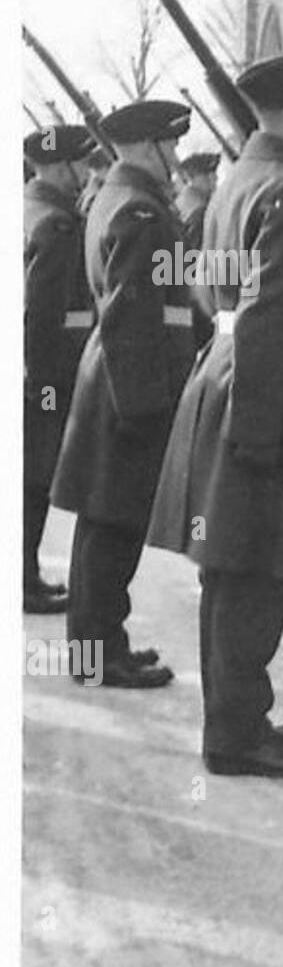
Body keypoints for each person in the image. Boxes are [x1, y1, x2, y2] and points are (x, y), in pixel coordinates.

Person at [147, 50, 283, 778]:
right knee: (258, 572)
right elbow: (268, 317)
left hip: (235, 377)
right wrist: (258, 435)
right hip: (272, 396)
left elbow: (217, 293)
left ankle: (237, 718)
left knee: (231, 568)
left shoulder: (240, 180)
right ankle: (235, 735)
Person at [50, 101, 195, 688]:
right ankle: (98, 657)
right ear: (147, 147)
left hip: (114, 382)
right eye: (172, 146)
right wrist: (143, 404)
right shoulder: (139, 210)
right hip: (129, 389)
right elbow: (131, 313)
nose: (178, 158)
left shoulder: (120, 199)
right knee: (112, 530)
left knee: (103, 526)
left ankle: (103, 645)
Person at [23, 125, 96, 615]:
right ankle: (23, 580)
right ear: (60, 166)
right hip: (47, 370)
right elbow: (40, 313)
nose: (88, 173)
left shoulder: (29, 209)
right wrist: (42, 383)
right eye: (81, 163)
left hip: (33, 368)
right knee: (35, 478)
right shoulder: (59, 224)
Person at [175, 151, 222, 349]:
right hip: (198, 304)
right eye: (207, 175)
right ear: (190, 179)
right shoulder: (200, 213)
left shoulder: (178, 205)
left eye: (214, 174)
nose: (214, 180)